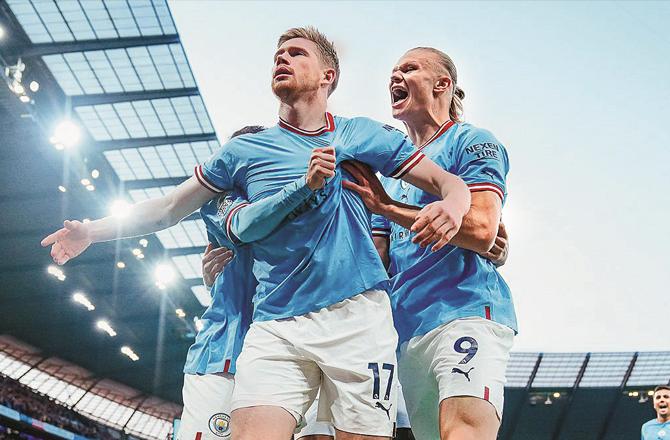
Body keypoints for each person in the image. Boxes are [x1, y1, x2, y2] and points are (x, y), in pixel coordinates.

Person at [41, 27, 471, 440]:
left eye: (297, 53)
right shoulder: (242, 152)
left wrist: (453, 206)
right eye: (278, 56)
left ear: (328, 76)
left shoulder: (359, 134)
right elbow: (169, 207)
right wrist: (92, 231)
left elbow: (448, 184)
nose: (282, 59)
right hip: (276, 324)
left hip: (358, 318)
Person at [341, 46, 517, 440]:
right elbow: (377, 260)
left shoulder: (470, 141)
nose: (395, 77)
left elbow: (483, 228)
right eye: (392, 71)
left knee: (464, 431)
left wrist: (388, 208)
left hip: (464, 310)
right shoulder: (388, 173)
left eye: (409, 68)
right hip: (406, 328)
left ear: (443, 83)